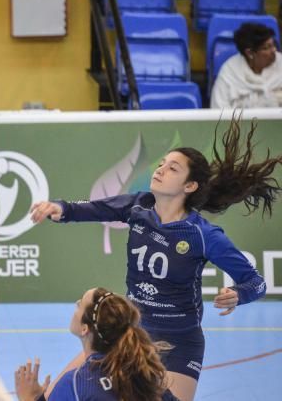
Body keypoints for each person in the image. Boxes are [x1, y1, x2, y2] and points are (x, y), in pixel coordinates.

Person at [29, 116, 277, 401]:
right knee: (51, 397)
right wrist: (58, 208)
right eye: (161, 164)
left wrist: (238, 294)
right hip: (129, 333)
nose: (161, 170)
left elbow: (256, 282)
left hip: (179, 343)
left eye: (173, 168)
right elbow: (93, 209)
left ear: (190, 186)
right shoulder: (139, 206)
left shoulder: (203, 235)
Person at [15, 288, 179, 401]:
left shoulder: (75, 383)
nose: (76, 305)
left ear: (85, 328)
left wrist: (29, 398)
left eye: (80, 304)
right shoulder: (146, 373)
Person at [210, 22, 282, 108]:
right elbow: (218, 108)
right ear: (250, 53)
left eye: (273, 45)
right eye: (267, 48)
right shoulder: (230, 72)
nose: (274, 50)